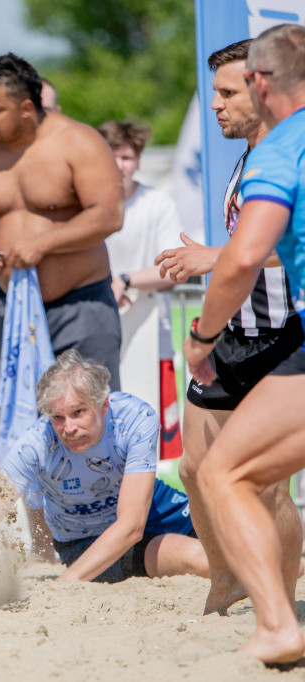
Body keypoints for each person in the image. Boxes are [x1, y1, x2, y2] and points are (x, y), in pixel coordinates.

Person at [155, 39, 304, 619]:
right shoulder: (247, 155)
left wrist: (214, 257)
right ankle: (225, 583)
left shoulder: (282, 154)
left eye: (227, 92)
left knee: (267, 488)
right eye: (213, 93)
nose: (216, 104)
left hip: (280, 335)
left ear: (261, 89)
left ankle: (282, 605)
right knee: (195, 470)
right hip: (231, 337)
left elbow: (267, 250)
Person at [0, 54, 124, 397]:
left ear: (26, 108)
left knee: (90, 423)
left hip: (80, 305)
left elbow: (108, 216)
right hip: (8, 306)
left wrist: (42, 245)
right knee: (18, 430)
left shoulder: (79, 142)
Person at [0, 350, 208, 584]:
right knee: (197, 557)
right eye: (57, 417)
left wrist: (61, 586)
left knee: (234, 535)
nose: (68, 428)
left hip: (154, 509)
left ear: (103, 405)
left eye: (78, 412)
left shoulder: (134, 417)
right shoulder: (35, 444)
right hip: (86, 541)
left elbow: (132, 522)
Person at [99, 120, 184, 453]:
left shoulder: (157, 204)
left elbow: (175, 268)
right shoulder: (87, 206)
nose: (121, 165)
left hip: (149, 329)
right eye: (113, 156)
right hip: (96, 325)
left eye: (127, 157)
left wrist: (125, 280)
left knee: (149, 431)